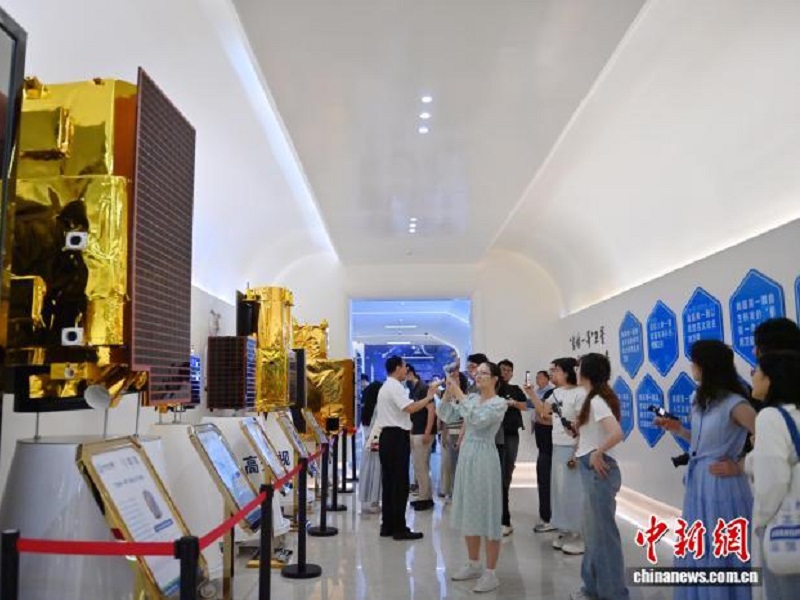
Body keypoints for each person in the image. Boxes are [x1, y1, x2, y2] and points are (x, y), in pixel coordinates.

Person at [655, 340, 756, 600]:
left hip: (723, 487)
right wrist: (679, 430)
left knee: (722, 549)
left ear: (706, 365)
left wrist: (740, 465)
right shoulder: (698, 399)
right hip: (698, 484)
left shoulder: (736, 403)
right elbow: (701, 445)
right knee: (701, 546)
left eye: (695, 362)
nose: (692, 367)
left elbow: (769, 437)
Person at [437, 361, 508, 593]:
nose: (478, 376)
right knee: (469, 509)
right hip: (467, 455)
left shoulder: (499, 403)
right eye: (477, 373)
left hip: (485, 457)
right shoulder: (473, 399)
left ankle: (491, 572)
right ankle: (473, 562)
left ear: (495, 379)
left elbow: (477, 420)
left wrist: (459, 393)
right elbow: (446, 414)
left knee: (488, 512)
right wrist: (448, 394)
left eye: (484, 373)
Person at [570, 353, 629, 600]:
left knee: (603, 538)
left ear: (587, 371)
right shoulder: (592, 399)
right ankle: (592, 589)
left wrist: (597, 453)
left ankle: (613, 594)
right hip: (591, 470)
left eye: (579, 367)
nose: (576, 370)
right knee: (593, 536)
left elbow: (617, 433)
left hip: (599, 472)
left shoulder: (597, 401)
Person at [747, 350, 800, 599]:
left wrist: (761, 521)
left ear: (770, 379)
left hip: (785, 531)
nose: (752, 375)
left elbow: (773, 481)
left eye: (756, 370)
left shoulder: (770, 417)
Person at [372, 356, 438, 540]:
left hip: (388, 437)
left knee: (389, 483)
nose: (406, 370)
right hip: (396, 437)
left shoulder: (387, 386)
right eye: (404, 367)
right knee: (399, 484)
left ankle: (388, 525)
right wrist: (429, 398)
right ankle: (399, 528)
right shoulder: (394, 387)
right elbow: (410, 408)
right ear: (397, 368)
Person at [527, 357, 585, 554]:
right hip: (557, 446)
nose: (552, 373)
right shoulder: (556, 393)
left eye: (556, 370)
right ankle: (566, 529)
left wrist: (577, 452)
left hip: (572, 448)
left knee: (573, 492)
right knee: (559, 491)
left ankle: (579, 533)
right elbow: (544, 412)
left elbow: (582, 425)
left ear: (567, 372)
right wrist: (531, 394)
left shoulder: (580, 393)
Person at [497, 359, 527, 536]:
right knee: (497, 473)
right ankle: (499, 514)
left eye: (509, 370)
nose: (505, 373)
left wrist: (513, 403)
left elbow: (526, 405)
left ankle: (504, 511)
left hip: (511, 433)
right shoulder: (493, 388)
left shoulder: (515, 389)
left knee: (507, 470)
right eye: (503, 369)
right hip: (494, 434)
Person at [406, 364, 435, 511]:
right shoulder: (413, 388)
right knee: (419, 465)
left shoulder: (423, 387)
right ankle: (424, 495)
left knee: (421, 466)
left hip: (422, 432)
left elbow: (431, 410)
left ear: (410, 372)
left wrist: (427, 431)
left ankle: (425, 498)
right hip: (416, 430)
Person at [530, 369, 555, 533]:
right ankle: (547, 517)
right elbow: (540, 414)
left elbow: (544, 416)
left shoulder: (553, 393)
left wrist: (544, 417)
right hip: (545, 445)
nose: (553, 375)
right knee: (544, 480)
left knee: (550, 482)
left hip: (559, 447)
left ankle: (553, 519)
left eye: (555, 370)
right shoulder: (550, 394)